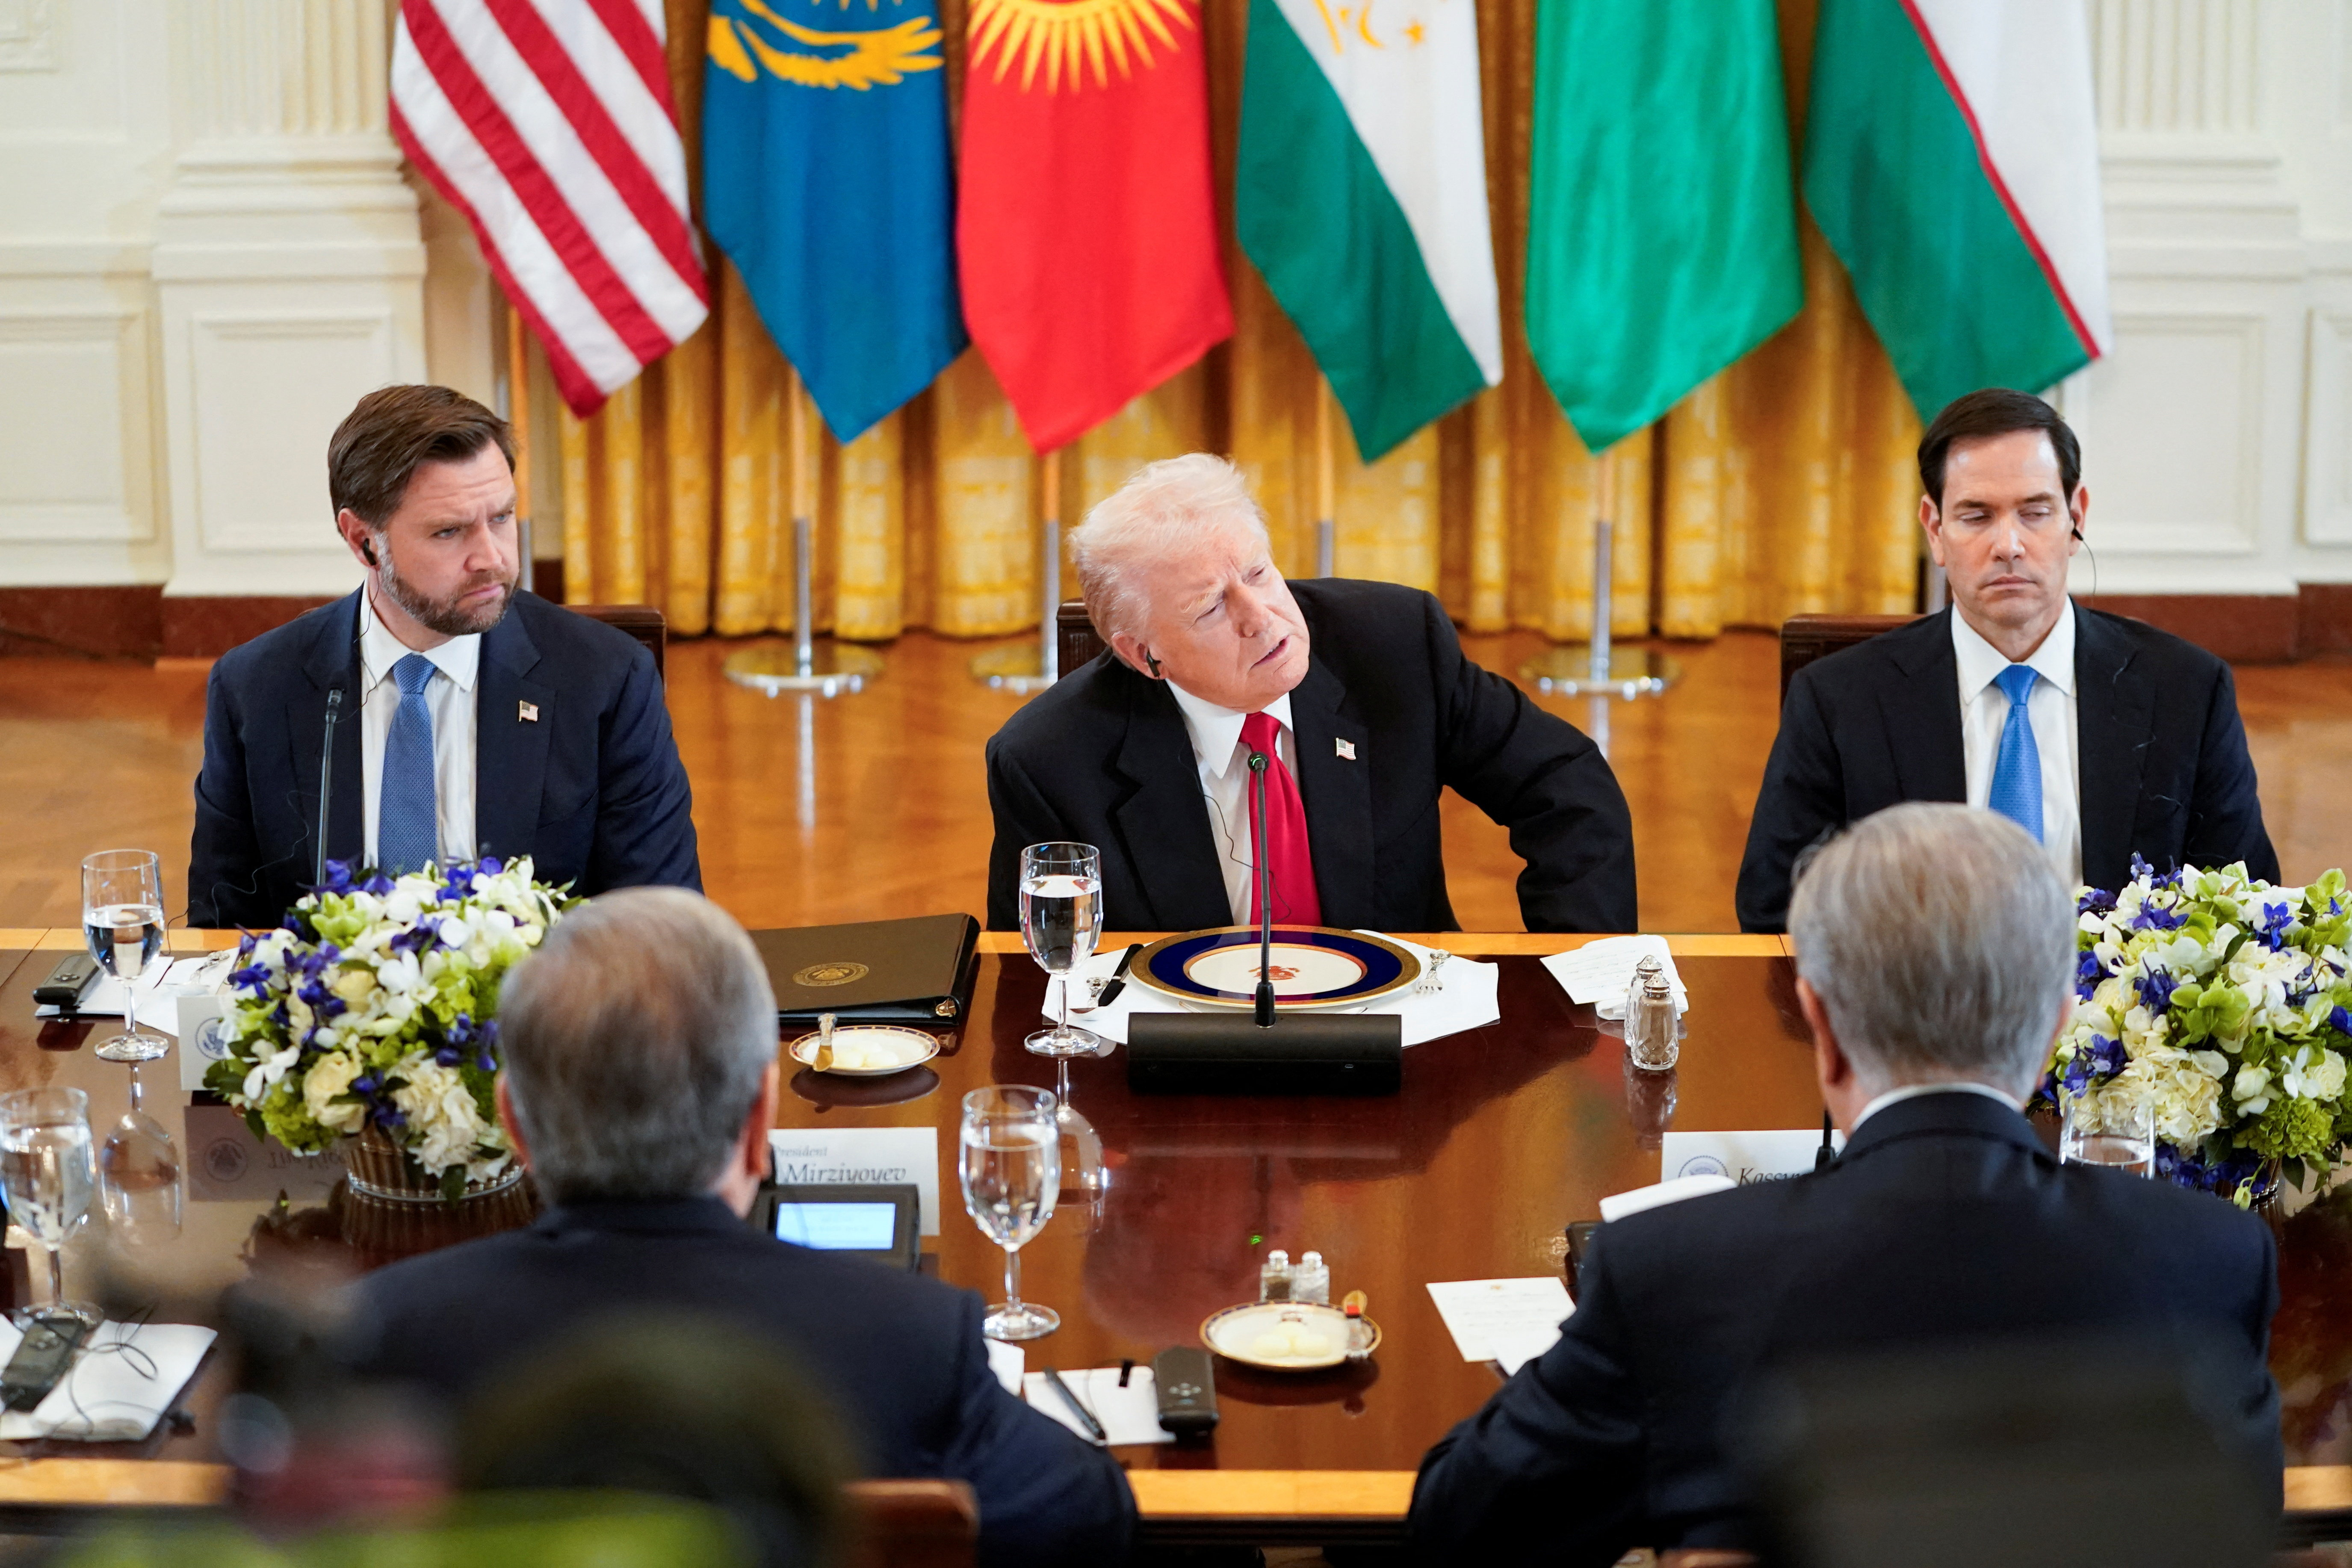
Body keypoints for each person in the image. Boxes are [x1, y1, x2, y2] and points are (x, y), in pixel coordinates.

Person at [1407, 803, 2282, 1564]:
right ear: (2057, 1024)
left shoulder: (1670, 1271)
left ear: (1818, 1023)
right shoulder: (2213, 1257)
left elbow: (1464, 1527)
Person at [338, 887, 1135, 1568]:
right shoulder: (915, 1340)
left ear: (514, 1122)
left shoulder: (381, 1335)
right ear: (762, 1115)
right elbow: (1095, 1518)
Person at [984, 454, 1637, 933]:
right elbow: (1040, 972)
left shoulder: (1396, 647)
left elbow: (1567, 786)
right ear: (1142, 653)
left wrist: (1571, 980)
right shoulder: (1047, 761)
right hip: (1183, 1057)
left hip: (1400, 1031)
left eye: (1258, 573)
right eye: (1211, 609)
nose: (1261, 616)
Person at [1735, 388, 2275, 933]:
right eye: (1976, 516)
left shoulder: (2186, 691)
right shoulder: (1838, 700)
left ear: (2075, 518)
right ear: (1934, 530)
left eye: (2035, 512)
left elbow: (2242, 905)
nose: (2009, 544)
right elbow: (1776, 910)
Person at [188, 385, 698, 927]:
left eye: (501, 518)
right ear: (362, 540)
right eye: (449, 532)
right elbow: (223, 933)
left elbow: (662, 929)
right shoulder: (256, 688)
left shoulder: (604, 680)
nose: (491, 557)